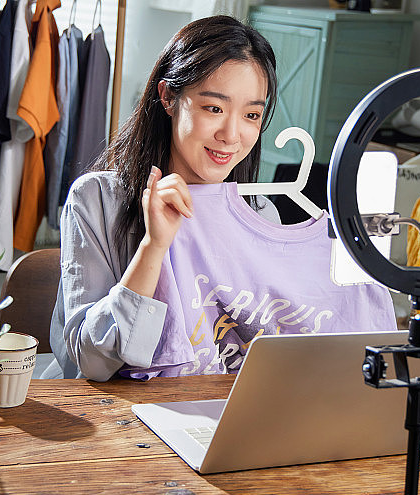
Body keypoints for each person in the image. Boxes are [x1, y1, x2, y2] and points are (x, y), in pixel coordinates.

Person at [48, 15, 395, 381]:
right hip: (113, 408)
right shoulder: (97, 200)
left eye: (251, 114)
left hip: (217, 407)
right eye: (214, 108)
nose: (231, 134)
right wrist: (153, 247)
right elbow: (93, 362)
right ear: (168, 97)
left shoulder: (262, 213)